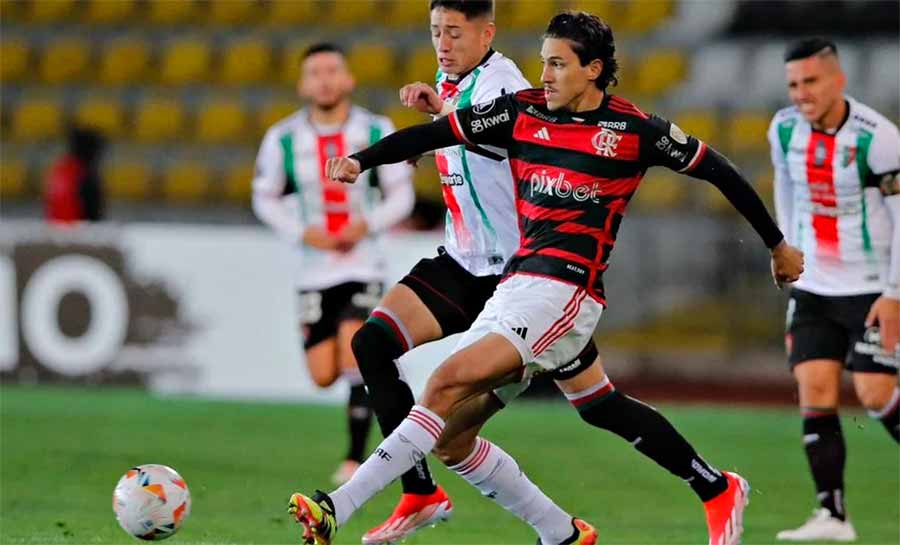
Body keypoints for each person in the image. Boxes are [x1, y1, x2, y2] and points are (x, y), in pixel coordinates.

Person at [289, 11, 805, 545]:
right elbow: (440, 130)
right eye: (544, 63)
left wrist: (777, 244)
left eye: (558, 64)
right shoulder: (524, 111)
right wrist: (360, 159)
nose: (546, 76)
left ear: (593, 70)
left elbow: (717, 168)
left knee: (442, 385)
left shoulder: (634, 131)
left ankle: (337, 507)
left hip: (567, 292)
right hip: (516, 286)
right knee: (468, 436)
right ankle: (609, 519)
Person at [252, 43, 415, 485]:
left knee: (355, 349)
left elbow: (403, 193)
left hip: (364, 264)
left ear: (348, 80)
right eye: (315, 72)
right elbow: (263, 197)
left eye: (332, 70)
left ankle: (355, 458)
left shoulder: (376, 129)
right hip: (313, 269)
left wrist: (368, 224)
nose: (324, 79)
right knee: (324, 374)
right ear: (304, 84)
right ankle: (385, 403)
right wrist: (300, 231)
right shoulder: (282, 138)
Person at [769, 37, 900, 543]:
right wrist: (786, 245)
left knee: (875, 392)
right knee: (815, 389)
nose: (801, 93)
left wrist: (893, 293)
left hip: (872, 290)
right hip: (816, 288)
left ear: (837, 80)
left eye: (811, 81)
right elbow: (785, 185)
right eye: (793, 84)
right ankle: (833, 517)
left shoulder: (879, 138)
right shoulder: (782, 129)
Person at [45, 125, 106, 223]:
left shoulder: (59, 169)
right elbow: (92, 214)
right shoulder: (84, 175)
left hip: (56, 231)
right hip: (77, 233)